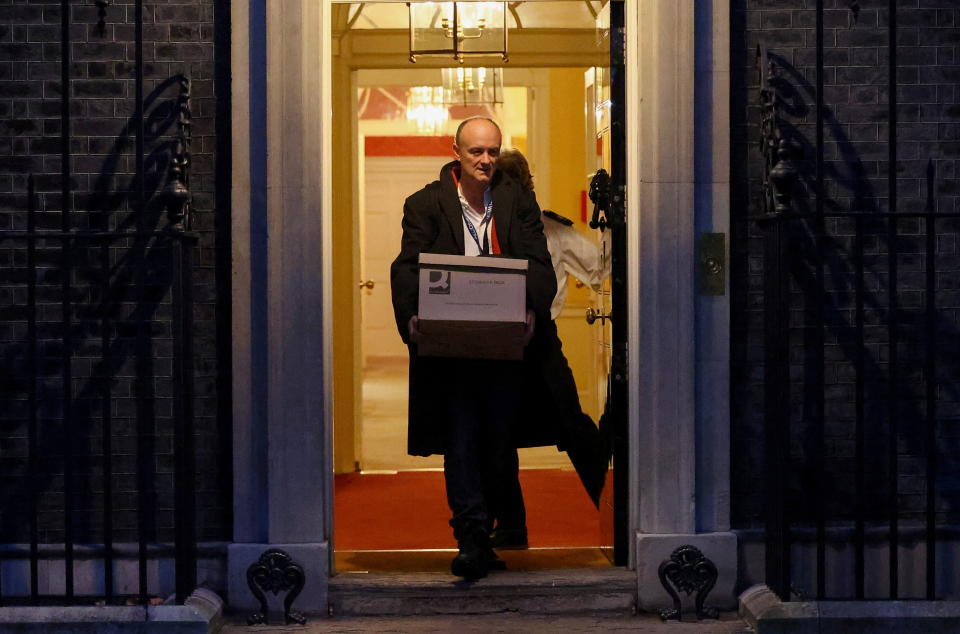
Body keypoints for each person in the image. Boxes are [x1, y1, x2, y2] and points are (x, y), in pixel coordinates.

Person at [390, 117, 557, 580]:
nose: (486, 160)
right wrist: (412, 318)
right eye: (476, 152)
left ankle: (484, 536)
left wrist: (530, 310)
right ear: (457, 153)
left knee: (498, 445)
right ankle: (470, 539)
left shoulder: (516, 199)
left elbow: (538, 264)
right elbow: (407, 266)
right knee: (461, 442)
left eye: (492, 152)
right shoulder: (424, 204)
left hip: (504, 349)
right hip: (450, 353)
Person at [489, 148, 611, 550]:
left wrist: (609, 218)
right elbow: (599, 269)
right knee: (507, 435)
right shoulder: (483, 231)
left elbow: (598, 271)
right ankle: (610, 507)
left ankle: (513, 525)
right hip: (509, 344)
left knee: (551, 430)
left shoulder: (550, 230)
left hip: (535, 342)